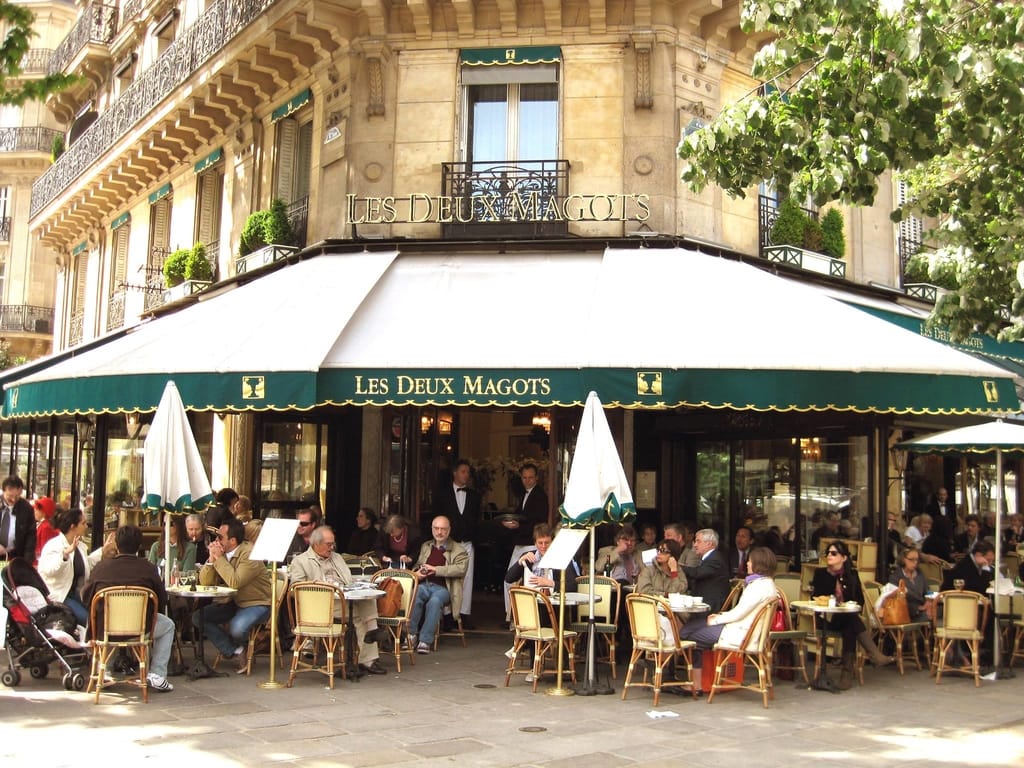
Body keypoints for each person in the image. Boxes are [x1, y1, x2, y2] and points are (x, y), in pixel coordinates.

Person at [81, 525, 176, 692]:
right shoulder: (148, 568)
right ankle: (157, 674)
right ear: (139, 546)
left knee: (102, 617)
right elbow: (161, 600)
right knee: (168, 625)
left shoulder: (101, 568)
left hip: (106, 628)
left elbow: (85, 597)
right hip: (140, 630)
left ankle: (105, 671)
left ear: (116, 545)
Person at [289, 525, 386, 675]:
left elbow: (348, 580)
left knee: (367, 598)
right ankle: (369, 656)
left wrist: (356, 585)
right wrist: (316, 586)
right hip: (321, 605)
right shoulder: (301, 562)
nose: (332, 547)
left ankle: (368, 650)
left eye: (333, 544)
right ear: (316, 544)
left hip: (343, 599)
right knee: (361, 615)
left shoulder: (337, 557)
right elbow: (294, 589)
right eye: (328, 544)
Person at [680, 546, 778, 689]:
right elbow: (742, 611)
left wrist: (717, 619)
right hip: (743, 628)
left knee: (692, 638)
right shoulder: (766, 584)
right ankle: (697, 682)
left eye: (750, 561)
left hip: (741, 633)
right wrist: (720, 615)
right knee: (688, 629)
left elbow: (740, 612)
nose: (747, 564)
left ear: (759, 564)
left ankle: (696, 684)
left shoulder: (758, 587)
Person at [811, 540, 892, 689]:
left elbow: (859, 600)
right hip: (827, 618)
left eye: (834, 553)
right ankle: (871, 656)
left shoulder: (851, 575)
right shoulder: (821, 574)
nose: (829, 555)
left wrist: (847, 604)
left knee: (850, 624)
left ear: (844, 558)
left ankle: (847, 675)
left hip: (846, 617)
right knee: (852, 621)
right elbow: (816, 597)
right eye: (828, 553)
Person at [194, 517, 272, 672]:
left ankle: (240, 648)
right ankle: (235, 650)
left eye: (221, 537)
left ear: (233, 541)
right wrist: (211, 559)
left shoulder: (250, 554)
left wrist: (220, 558)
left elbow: (235, 582)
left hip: (256, 602)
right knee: (198, 617)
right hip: (235, 601)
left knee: (237, 628)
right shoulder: (224, 553)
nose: (217, 540)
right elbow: (204, 582)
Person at [408, 516, 468, 654]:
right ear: (432, 529)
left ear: (449, 530)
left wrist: (435, 569)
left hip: (444, 589)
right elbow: (417, 564)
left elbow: (460, 569)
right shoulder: (426, 546)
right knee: (415, 595)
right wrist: (417, 573)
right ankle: (411, 635)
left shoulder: (459, 549)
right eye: (436, 528)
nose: (439, 532)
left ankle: (425, 640)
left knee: (435, 601)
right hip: (425, 584)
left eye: (443, 529)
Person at [38, 507, 108, 626]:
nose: (86, 526)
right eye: (83, 523)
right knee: (88, 620)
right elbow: (48, 571)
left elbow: (86, 564)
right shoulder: (54, 545)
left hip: (77, 594)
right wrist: (65, 555)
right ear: (72, 526)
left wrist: (103, 551)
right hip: (61, 595)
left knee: (101, 614)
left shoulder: (80, 546)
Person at [434, 460, 480, 628]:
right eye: (463, 472)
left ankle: (463, 614)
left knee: (467, 578)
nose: (466, 475)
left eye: (468, 472)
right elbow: (436, 516)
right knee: (448, 577)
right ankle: (447, 615)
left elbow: (476, 519)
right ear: (455, 473)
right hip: (448, 542)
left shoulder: (474, 495)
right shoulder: (442, 494)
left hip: (467, 542)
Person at [503, 463, 549, 621]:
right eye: (524, 478)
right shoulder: (525, 494)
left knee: (528, 581)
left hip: (532, 543)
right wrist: (510, 521)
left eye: (531, 477)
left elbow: (538, 521)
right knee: (510, 579)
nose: (527, 480)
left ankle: (516, 617)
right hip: (521, 541)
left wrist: (518, 525)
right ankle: (512, 615)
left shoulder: (540, 496)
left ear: (536, 478)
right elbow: (521, 515)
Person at [504, 523, 577, 593]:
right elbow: (509, 579)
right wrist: (520, 561)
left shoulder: (562, 558)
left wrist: (550, 583)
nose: (543, 546)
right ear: (535, 543)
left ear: (552, 542)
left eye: (547, 542)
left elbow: (573, 586)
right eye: (540, 543)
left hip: (550, 603)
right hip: (529, 600)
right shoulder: (528, 556)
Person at [680, 529, 731, 612]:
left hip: (711, 606)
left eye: (698, 541)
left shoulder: (715, 558)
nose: (695, 545)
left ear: (709, 543)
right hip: (702, 602)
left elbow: (698, 573)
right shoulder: (710, 557)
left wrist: (678, 567)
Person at [885, 547, 931, 622]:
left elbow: (927, 590)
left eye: (916, 559)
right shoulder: (895, 577)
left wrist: (929, 602)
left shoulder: (919, 573)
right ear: (903, 559)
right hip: (905, 611)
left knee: (940, 610)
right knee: (926, 616)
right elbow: (897, 599)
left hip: (923, 608)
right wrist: (918, 608)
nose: (915, 562)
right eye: (911, 559)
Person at [147, 515, 197, 579]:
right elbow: (150, 572)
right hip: (159, 586)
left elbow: (187, 575)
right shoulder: (156, 546)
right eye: (164, 523)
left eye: (170, 524)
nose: (166, 526)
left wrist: (162, 574)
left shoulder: (190, 548)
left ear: (179, 525)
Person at [0, 476, 36, 563]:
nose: (13, 500)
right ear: (3, 491)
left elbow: (30, 536)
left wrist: (27, 563)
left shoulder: (26, 509)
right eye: (10, 496)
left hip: (14, 557)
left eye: (17, 496)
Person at [32, 497, 59, 567]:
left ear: (44, 512)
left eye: (37, 509)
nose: (34, 511)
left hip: (39, 563)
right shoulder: (42, 525)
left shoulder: (45, 527)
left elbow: (44, 549)